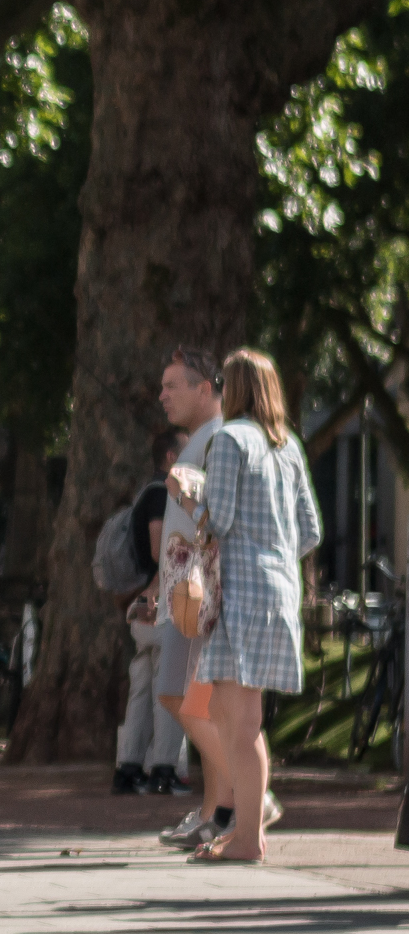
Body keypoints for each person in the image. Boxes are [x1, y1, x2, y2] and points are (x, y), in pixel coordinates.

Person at [182, 350, 321, 864]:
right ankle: (249, 825)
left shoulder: (230, 440)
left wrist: (186, 495)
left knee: (235, 720)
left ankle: (247, 838)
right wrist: (275, 552)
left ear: (233, 388)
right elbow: (311, 529)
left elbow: (219, 517)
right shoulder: (289, 447)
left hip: (240, 591)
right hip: (279, 590)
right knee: (232, 713)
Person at [150, 347, 250, 850]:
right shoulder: (203, 442)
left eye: (173, 386)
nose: (162, 395)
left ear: (204, 389)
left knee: (185, 699)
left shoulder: (219, 441)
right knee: (195, 703)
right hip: (184, 593)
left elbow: (215, 517)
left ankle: (246, 798)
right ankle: (218, 810)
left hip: (199, 596)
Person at [116, 429, 191, 795]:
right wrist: (158, 588)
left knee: (142, 686)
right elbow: (161, 547)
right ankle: (163, 767)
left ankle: (128, 767)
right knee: (170, 686)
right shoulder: (163, 495)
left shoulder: (147, 492)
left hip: (143, 605)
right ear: (172, 458)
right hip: (159, 604)